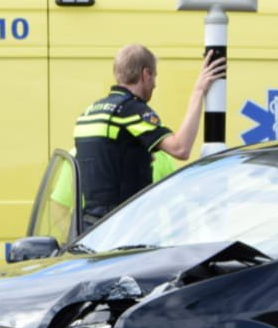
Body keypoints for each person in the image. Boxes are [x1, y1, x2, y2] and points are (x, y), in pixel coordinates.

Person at [74, 43, 226, 225]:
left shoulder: (90, 112)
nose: (155, 84)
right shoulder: (130, 110)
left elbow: (109, 160)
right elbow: (180, 148)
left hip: (89, 228)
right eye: (154, 76)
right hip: (122, 226)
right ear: (145, 74)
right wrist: (198, 91)